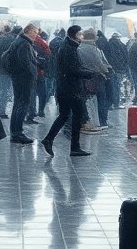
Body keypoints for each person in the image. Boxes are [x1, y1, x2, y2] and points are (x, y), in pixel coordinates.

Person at [42, 25, 93, 158]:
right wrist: (89, 74)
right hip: (71, 88)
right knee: (78, 115)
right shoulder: (69, 48)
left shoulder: (67, 46)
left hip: (64, 87)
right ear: (74, 35)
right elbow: (72, 69)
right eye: (80, 34)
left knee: (64, 115)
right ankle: (75, 147)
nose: (82, 36)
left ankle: (49, 139)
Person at [5, 24, 41, 144]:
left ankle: (15, 132)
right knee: (23, 104)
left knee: (18, 104)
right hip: (24, 79)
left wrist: (36, 62)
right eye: (34, 32)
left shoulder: (19, 41)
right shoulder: (24, 43)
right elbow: (25, 62)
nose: (36, 34)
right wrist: (33, 74)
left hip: (18, 77)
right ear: (28, 31)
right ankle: (17, 133)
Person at [78, 28, 113, 129]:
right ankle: (102, 121)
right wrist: (107, 71)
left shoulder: (78, 48)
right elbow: (100, 63)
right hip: (97, 77)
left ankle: (86, 120)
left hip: (83, 77)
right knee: (101, 99)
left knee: (85, 100)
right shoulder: (94, 49)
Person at [31, 28, 52, 120]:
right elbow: (48, 55)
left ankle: (32, 112)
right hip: (40, 72)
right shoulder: (42, 43)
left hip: (32, 73)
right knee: (42, 94)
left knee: (32, 94)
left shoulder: (27, 42)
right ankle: (40, 111)